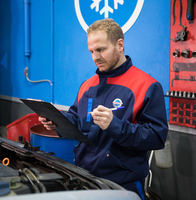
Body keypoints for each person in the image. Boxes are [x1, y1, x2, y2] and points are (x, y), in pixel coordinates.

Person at [39, 18, 168, 199]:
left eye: (100, 49)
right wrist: (57, 121)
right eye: (91, 51)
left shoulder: (147, 86)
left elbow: (156, 137)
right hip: (85, 178)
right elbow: (77, 120)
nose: (95, 57)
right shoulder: (87, 86)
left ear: (120, 45)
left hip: (123, 184)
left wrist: (115, 125)